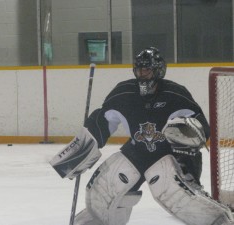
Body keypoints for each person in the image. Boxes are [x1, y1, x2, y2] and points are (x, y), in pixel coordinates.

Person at [50, 47, 234, 225]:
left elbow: (201, 129)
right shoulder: (124, 93)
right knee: (102, 190)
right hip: (137, 152)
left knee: (179, 196)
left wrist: (191, 134)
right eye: (139, 70)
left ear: (159, 71)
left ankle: (222, 220)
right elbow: (101, 123)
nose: (142, 75)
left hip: (170, 155)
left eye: (147, 70)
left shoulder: (175, 94)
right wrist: (80, 151)